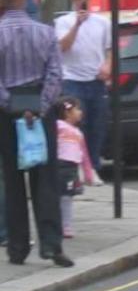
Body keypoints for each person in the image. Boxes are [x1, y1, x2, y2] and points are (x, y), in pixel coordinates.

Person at [0, 0, 74, 267]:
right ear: (25, 1)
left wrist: (13, 106)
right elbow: (55, 75)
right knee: (46, 180)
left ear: (2, 3)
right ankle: (52, 246)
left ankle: (18, 249)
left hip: (7, 116)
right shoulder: (46, 33)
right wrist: (38, 108)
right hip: (40, 113)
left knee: (13, 181)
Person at [55, 0, 111, 175]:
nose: (83, 2)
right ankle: (77, 164)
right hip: (72, 79)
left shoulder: (102, 22)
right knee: (76, 124)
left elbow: (109, 49)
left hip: (95, 80)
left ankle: (93, 165)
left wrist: (108, 66)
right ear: (73, 0)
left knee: (97, 124)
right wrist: (77, 25)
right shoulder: (63, 22)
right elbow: (62, 47)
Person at [55, 96, 97, 238]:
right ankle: (60, 224)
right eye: (77, 109)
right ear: (67, 112)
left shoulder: (78, 133)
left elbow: (84, 155)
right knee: (59, 197)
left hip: (71, 168)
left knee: (67, 198)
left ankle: (66, 225)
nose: (81, 112)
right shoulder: (58, 125)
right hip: (58, 165)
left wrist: (88, 174)